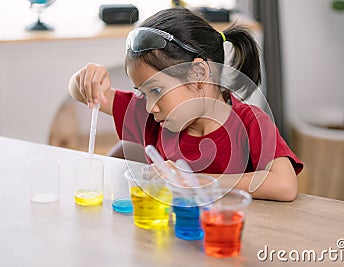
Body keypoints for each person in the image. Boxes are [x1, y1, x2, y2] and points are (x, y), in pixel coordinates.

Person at [68, 7, 303, 201]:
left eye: (156, 90)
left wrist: (199, 181)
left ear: (198, 73)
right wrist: (85, 80)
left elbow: (285, 185)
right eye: (143, 92)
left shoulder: (251, 122)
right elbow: (85, 94)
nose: (150, 106)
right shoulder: (148, 114)